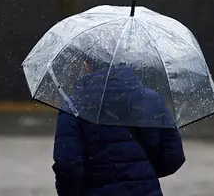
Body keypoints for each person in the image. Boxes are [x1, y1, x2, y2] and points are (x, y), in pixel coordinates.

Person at [52, 56, 186, 196]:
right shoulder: (151, 100)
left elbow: (68, 166)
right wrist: (141, 174)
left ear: (87, 66)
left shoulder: (74, 107)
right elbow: (174, 156)